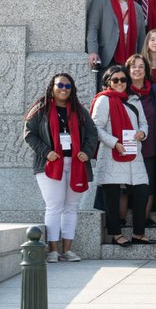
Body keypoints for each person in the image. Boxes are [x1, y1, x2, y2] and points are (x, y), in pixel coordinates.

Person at [24, 73, 97, 262]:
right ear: (52, 87)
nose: (63, 89)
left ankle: (67, 250)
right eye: (60, 85)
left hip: (76, 164)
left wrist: (86, 152)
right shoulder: (41, 109)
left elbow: (92, 133)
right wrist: (46, 152)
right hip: (50, 164)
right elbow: (29, 134)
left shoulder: (79, 110)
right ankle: (53, 250)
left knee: (71, 207)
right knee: (54, 206)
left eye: (68, 86)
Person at [91, 64, 153, 246]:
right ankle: (116, 234)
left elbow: (144, 123)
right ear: (108, 81)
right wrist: (114, 143)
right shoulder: (103, 100)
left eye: (123, 79)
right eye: (115, 80)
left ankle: (139, 233)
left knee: (142, 190)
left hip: (133, 152)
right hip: (112, 152)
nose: (120, 83)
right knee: (112, 195)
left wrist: (142, 133)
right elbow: (96, 128)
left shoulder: (134, 98)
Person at [126, 54, 156, 222]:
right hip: (127, 145)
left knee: (149, 183)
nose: (137, 70)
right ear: (128, 70)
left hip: (152, 144)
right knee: (126, 183)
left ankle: (145, 217)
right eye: (133, 67)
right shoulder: (122, 91)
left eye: (140, 66)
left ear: (146, 70)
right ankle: (122, 217)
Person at [86, 0, 147, 85]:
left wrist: (140, 59)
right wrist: (92, 51)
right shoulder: (99, 2)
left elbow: (141, 37)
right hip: (107, 57)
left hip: (130, 60)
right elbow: (93, 28)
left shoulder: (137, 8)